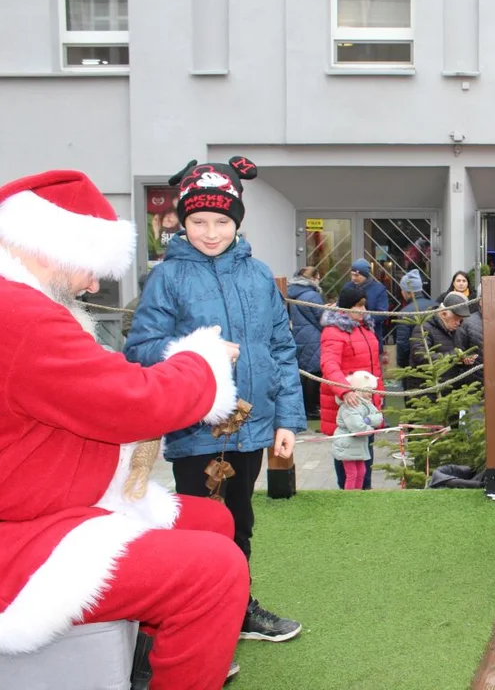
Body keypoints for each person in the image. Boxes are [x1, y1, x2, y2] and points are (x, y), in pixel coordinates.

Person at [0, 170, 248, 688]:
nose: (93, 285)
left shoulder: (22, 306)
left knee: (210, 521)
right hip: (21, 535)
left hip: (39, 504)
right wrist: (201, 362)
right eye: (92, 268)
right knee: (215, 568)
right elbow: (133, 401)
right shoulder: (19, 313)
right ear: (54, 244)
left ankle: (147, 660)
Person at [125, 156, 307, 646]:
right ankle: (198, 621)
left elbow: (282, 349)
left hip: (252, 426)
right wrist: (198, 353)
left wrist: (287, 418)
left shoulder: (259, 275)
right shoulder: (167, 278)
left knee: (239, 521)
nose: (210, 232)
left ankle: (238, 607)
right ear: (182, 222)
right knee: (202, 527)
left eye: (222, 221)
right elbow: (140, 350)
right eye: (199, 221)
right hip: (196, 426)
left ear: (237, 221)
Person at [320, 283, 384, 490]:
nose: (363, 311)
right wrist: (344, 390)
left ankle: (364, 499)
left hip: (367, 403)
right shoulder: (334, 331)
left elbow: (373, 365)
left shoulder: (365, 327)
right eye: (358, 306)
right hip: (347, 405)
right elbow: (329, 365)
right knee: (347, 457)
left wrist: (378, 395)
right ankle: (347, 499)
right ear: (346, 306)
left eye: (364, 306)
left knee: (365, 459)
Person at [408, 291, 473, 396]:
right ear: (443, 314)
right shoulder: (423, 328)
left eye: (461, 320)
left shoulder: (455, 330)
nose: (458, 323)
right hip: (427, 391)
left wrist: (463, 360)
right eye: (456, 319)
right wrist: (453, 355)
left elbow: (457, 353)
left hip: (449, 390)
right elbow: (421, 357)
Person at [331, 370, 383, 490]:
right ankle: (350, 496)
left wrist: (367, 420)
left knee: (362, 471)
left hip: (358, 444)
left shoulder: (367, 404)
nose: (371, 393)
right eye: (368, 390)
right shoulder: (350, 406)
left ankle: (357, 494)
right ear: (359, 389)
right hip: (347, 444)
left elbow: (379, 417)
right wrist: (371, 428)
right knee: (352, 473)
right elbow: (357, 427)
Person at [288, 266, 326, 420]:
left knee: (304, 372)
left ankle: (304, 407)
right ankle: (312, 409)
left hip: (299, 335)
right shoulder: (312, 295)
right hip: (313, 337)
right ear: (315, 277)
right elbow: (321, 318)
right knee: (314, 372)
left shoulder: (292, 292)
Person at [344, 258, 390, 350]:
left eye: (357, 275)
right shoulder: (347, 287)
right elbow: (341, 307)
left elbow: (383, 313)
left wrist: (362, 317)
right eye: (352, 275)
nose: (353, 278)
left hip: (372, 337)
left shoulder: (379, 289)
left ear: (365, 275)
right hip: (350, 338)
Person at [395, 268, 436, 371]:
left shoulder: (405, 313)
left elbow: (403, 345)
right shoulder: (436, 306)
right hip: (437, 362)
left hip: (414, 366)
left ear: (407, 292)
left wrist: (403, 365)